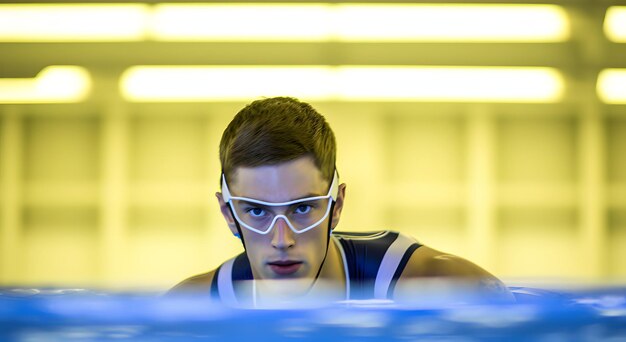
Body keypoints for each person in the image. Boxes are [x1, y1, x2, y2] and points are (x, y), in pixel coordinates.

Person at [168, 96, 513, 307]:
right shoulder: (190, 306)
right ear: (229, 214)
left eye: (302, 208)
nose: (281, 240)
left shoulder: (429, 283)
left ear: (337, 205)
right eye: (256, 211)